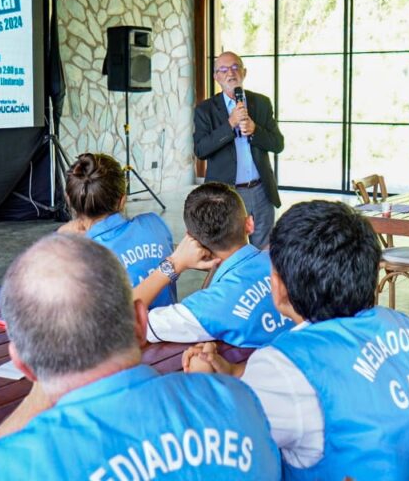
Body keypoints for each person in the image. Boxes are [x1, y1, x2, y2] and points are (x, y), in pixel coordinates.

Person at [0, 234, 282, 480]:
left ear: (23, 365)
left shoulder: (1, 467)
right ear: (140, 320)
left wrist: (38, 392)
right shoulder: (242, 400)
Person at [182, 201, 409, 479]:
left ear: (278, 287)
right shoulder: (402, 324)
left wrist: (201, 380)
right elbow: (344, 377)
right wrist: (234, 373)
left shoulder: (285, 365)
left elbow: (210, 451)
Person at [135, 182, 294, 347]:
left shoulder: (207, 307)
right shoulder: (288, 261)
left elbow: (126, 323)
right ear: (249, 224)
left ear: (191, 238)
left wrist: (174, 264)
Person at [57, 152, 178, 307]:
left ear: (69, 199)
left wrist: (59, 236)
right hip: (169, 329)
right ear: (122, 200)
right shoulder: (155, 224)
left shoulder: (76, 258)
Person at [194, 52, 285, 248]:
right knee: (231, 250)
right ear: (216, 77)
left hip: (261, 191)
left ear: (244, 72)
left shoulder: (261, 103)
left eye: (235, 67)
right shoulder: (205, 110)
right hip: (227, 194)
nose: (230, 73)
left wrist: (255, 131)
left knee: (264, 250)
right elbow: (201, 150)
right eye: (223, 70)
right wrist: (230, 124)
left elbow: (278, 144)